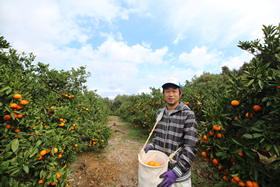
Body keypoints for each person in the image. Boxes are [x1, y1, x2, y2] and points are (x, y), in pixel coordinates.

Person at [144, 78, 198, 187]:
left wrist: (176, 172)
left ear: (180, 93)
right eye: (167, 91)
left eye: (174, 91)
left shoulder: (188, 115)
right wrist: (151, 145)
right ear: (163, 94)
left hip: (178, 177)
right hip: (159, 170)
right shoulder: (159, 113)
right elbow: (157, 137)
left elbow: (191, 147)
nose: (171, 94)